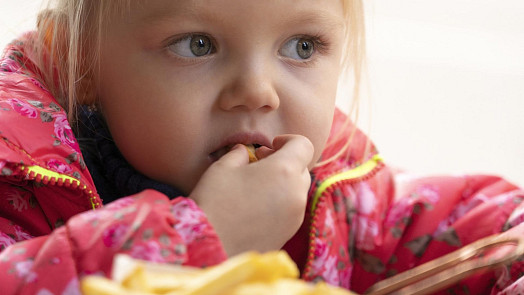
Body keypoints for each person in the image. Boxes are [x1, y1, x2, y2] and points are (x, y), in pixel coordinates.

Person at [0, 0, 523, 294]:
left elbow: (486, 228)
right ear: (80, 60)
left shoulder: (337, 197)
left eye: (301, 47)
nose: (258, 91)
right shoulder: (18, 189)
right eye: (197, 44)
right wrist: (201, 237)